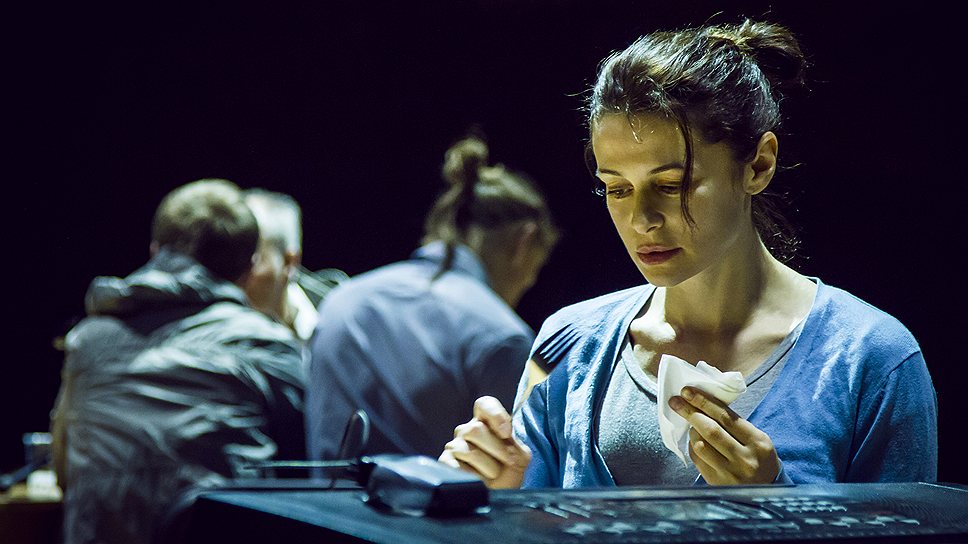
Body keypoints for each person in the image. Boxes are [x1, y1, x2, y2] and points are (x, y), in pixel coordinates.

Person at [439, 19, 938, 489]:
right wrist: (494, 496)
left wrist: (775, 504)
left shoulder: (870, 360)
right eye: (617, 189)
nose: (642, 220)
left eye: (671, 184)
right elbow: (526, 524)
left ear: (758, 165)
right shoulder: (568, 344)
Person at [50, 179, 307, 544]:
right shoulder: (268, 346)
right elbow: (310, 475)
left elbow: (64, 471)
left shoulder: (87, 342)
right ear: (250, 267)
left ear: (155, 250)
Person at [306, 135, 560, 460]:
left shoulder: (342, 300)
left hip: (316, 496)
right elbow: (525, 472)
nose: (530, 282)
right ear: (523, 243)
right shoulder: (501, 336)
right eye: (536, 268)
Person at [243, 188, 347, 342]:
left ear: (289, 262)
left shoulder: (344, 321)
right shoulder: (214, 329)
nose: (233, 271)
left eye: (250, 259)